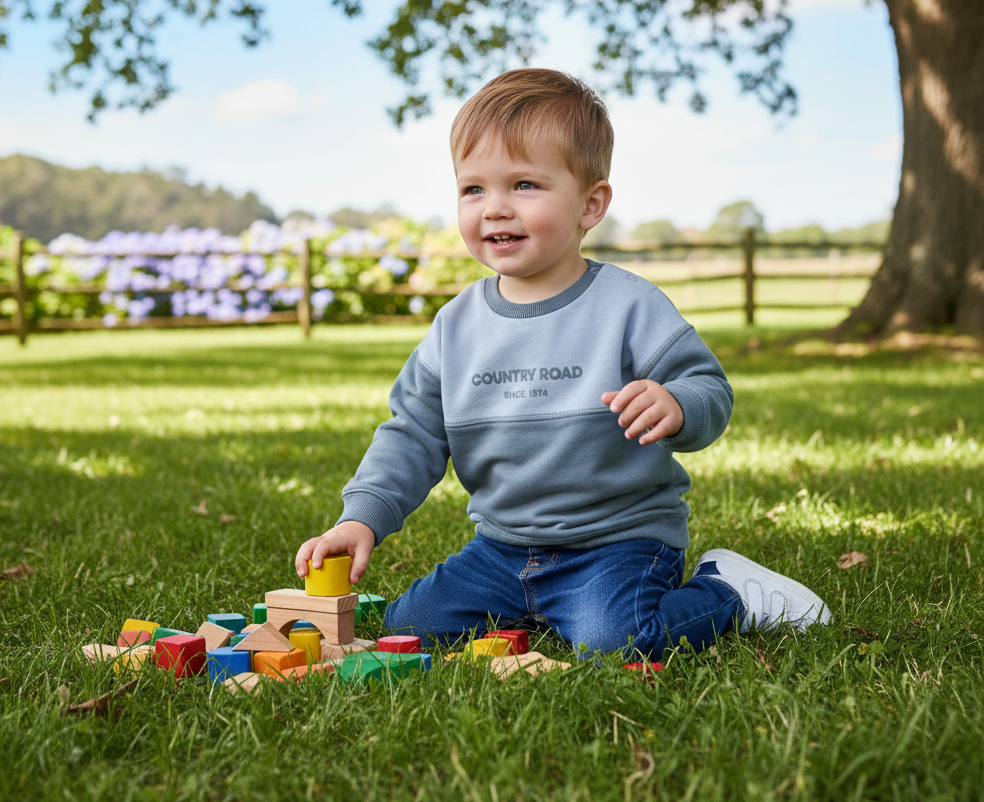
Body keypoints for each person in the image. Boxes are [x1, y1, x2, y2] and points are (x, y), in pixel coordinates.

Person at [296, 68, 830, 658]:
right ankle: (541, 607)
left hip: (618, 543)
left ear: (591, 204)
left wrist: (677, 404)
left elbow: (709, 387)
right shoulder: (456, 326)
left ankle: (727, 593)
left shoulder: (628, 305)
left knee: (616, 644)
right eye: (473, 189)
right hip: (500, 549)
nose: (495, 208)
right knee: (410, 628)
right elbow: (413, 432)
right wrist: (362, 518)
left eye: (524, 185)